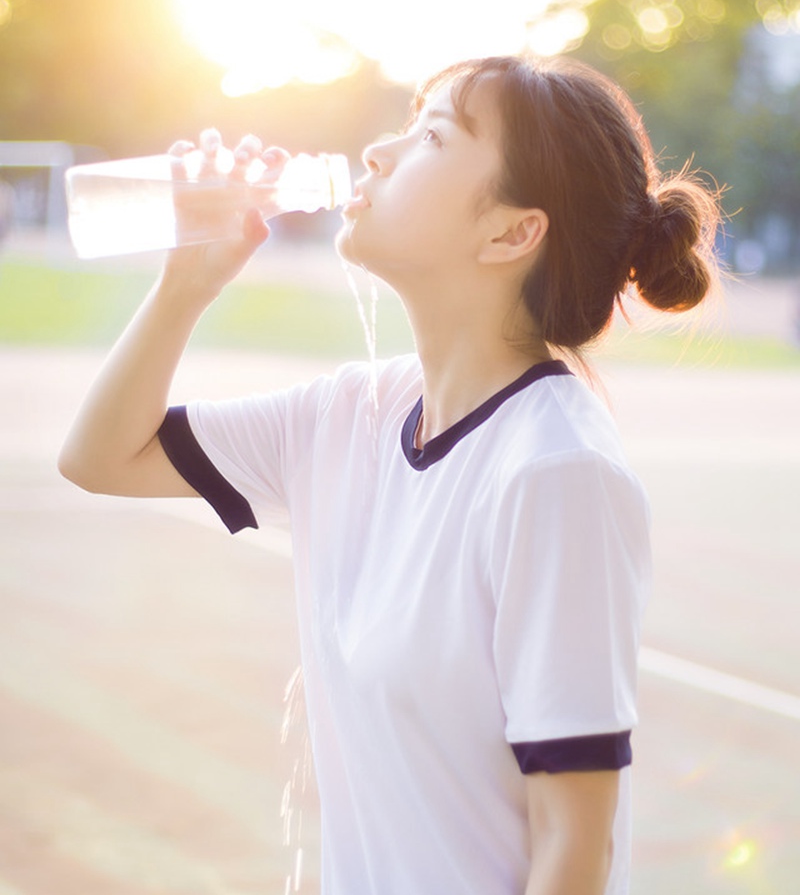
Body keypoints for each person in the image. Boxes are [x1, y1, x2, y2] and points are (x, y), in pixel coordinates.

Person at [59, 53, 719, 895]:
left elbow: (574, 851)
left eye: (432, 137)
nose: (378, 152)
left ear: (513, 232)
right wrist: (185, 284)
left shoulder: (557, 473)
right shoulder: (347, 414)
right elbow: (102, 457)